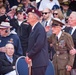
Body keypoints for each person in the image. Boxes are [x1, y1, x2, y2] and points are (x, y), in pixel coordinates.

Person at [25, 8, 49, 75]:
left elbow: (38, 45)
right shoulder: (34, 28)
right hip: (36, 61)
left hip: (39, 62)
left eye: (28, 16)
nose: (27, 17)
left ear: (34, 17)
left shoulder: (39, 28)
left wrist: (29, 55)